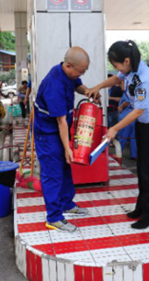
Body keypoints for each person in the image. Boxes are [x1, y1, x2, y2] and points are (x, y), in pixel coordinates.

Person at [87, 40, 149, 230]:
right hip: (144, 123)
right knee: (142, 167)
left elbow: (138, 110)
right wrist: (98, 86)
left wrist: (114, 129)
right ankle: (142, 207)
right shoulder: (131, 68)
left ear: (126, 60)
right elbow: (117, 79)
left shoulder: (144, 79)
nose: (116, 69)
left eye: (116, 65)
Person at [34, 47, 91, 232]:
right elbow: (61, 122)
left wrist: (88, 91)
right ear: (68, 65)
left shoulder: (68, 75)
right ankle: (54, 217)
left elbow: (78, 85)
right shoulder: (55, 84)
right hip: (48, 133)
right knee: (53, 175)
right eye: (81, 71)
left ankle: (66, 203)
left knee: (65, 169)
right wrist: (68, 148)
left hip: (59, 130)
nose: (81, 74)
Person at [117, 81, 137, 160]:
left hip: (126, 118)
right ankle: (134, 154)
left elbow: (128, 101)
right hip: (134, 117)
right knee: (133, 138)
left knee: (122, 136)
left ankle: (118, 154)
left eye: (122, 83)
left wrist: (121, 106)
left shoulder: (128, 91)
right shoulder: (135, 90)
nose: (120, 85)